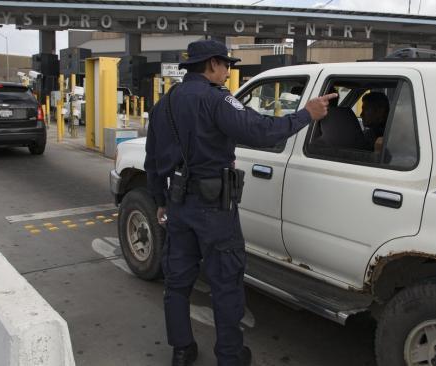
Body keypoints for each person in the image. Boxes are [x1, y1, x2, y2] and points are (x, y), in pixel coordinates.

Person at [144, 39, 337, 366]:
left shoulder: (166, 103)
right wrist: (307, 113)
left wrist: (161, 200)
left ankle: (182, 350)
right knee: (225, 284)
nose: (228, 72)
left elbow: (152, 159)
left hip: (178, 205)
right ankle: (230, 357)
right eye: (227, 65)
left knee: (177, 282)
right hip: (213, 210)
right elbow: (262, 132)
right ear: (212, 65)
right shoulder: (217, 100)